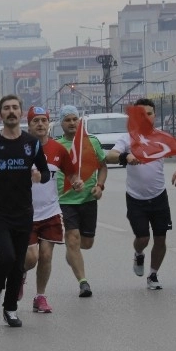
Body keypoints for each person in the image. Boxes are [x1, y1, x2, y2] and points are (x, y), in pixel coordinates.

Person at [0, 95, 51, 328]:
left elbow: (45, 172)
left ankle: (11, 309)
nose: (11, 112)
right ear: (0, 115)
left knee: (18, 264)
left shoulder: (32, 143)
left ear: (20, 112)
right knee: (5, 255)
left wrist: (39, 176)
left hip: (24, 211)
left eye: (15, 108)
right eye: (6, 108)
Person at [106, 99, 176, 290]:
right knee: (143, 238)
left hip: (159, 196)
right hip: (136, 198)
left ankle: (153, 275)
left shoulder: (162, 137)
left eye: (149, 114)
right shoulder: (127, 139)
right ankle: (138, 253)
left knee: (160, 238)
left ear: (154, 116)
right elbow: (109, 155)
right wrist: (125, 156)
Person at [22, 107, 81, 313]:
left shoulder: (58, 150)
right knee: (31, 258)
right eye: (36, 120)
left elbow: (71, 174)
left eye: (44, 120)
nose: (40, 124)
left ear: (49, 124)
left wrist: (76, 182)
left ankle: (40, 296)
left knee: (46, 256)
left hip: (50, 212)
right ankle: (20, 275)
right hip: (25, 213)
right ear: (29, 124)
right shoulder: (20, 148)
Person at [56, 105, 108, 298]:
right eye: (67, 120)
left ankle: (72, 253)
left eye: (74, 119)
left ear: (79, 121)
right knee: (72, 238)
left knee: (86, 243)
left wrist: (100, 186)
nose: (71, 123)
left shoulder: (92, 142)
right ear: (61, 123)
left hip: (88, 199)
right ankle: (83, 282)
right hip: (65, 200)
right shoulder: (57, 146)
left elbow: (103, 167)